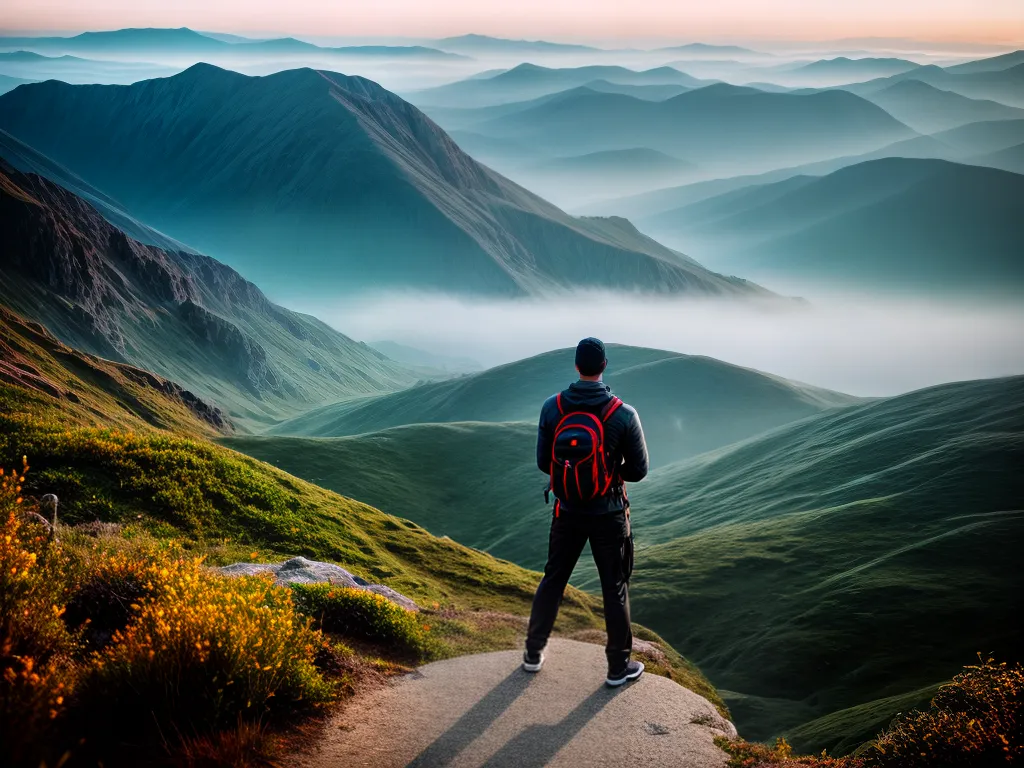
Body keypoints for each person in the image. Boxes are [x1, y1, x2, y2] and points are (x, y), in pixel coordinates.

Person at [523, 337, 650, 687]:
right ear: (605, 366)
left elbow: (542, 461)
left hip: (566, 510)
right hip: (608, 513)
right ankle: (617, 668)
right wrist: (608, 474)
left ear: (576, 366)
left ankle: (533, 653)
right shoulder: (623, 414)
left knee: (553, 579)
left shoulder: (552, 407)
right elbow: (639, 470)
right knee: (614, 587)